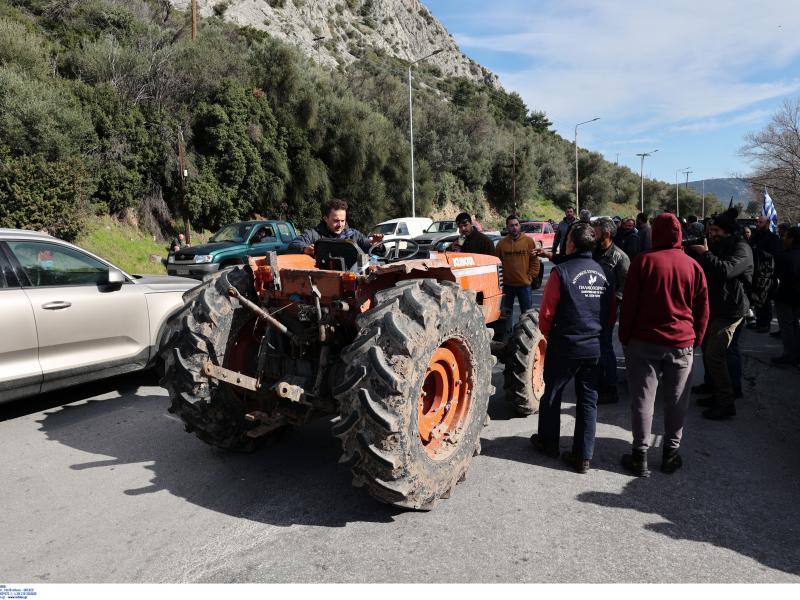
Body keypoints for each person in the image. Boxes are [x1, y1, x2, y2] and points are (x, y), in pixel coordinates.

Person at [618, 213, 709, 476]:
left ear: (654, 233)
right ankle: (670, 455)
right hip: (681, 343)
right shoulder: (693, 266)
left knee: (642, 400)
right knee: (677, 400)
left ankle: (640, 456)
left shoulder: (642, 262)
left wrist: (625, 337)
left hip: (643, 344)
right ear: (680, 234)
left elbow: (630, 306)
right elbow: (703, 310)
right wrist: (697, 339)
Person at [529, 222, 614, 474]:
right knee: (589, 400)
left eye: (566, 240)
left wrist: (547, 333)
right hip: (594, 346)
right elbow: (610, 314)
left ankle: (548, 443)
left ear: (572, 244)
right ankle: (583, 457)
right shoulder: (604, 273)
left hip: (565, 345)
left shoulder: (561, 272)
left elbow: (546, 312)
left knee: (553, 393)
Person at [687, 207, 753, 420]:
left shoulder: (741, 248)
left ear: (726, 231)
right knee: (708, 350)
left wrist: (705, 254)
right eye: (710, 230)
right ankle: (714, 389)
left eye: (715, 230)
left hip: (731, 310)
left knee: (716, 355)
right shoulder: (719, 246)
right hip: (715, 308)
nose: (711, 233)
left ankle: (727, 402)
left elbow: (725, 271)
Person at [592, 217, 630, 404]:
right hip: (591, 309)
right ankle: (597, 382)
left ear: (606, 234)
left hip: (607, 310)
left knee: (605, 346)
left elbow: (625, 287)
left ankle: (610, 387)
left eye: (596, 231)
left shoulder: (620, 257)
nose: (593, 234)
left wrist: (612, 303)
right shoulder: (593, 252)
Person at [288, 199, 380, 255]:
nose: (340, 225)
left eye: (342, 220)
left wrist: (377, 245)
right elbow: (293, 245)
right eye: (336, 221)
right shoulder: (313, 234)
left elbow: (369, 247)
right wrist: (305, 249)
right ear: (325, 218)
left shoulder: (353, 234)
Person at [496, 215, 541, 331]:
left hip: (524, 285)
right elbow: (497, 265)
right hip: (507, 286)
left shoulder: (529, 241)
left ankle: (526, 339)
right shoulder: (501, 244)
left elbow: (535, 262)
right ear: (507, 227)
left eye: (516, 225)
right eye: (511, 225)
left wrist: (530, 277)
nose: (514, 228)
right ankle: (506, 339)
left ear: (519, 226)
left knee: (527, 316)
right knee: (505, 316)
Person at [772, 225, 800, 365]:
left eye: (785, 236)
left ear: (792, 239)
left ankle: (789, 354)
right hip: (796, 296)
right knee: (795, 324)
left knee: (787, 326)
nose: (783, 238)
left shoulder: (785, 256)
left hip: (785, 296)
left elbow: (776, 276)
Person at [748, 215, 781, 333]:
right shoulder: (756, 236)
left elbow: (775, 256)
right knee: (757, 299)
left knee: (765, 299)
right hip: (755, 273)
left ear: (767, 224)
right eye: (758, 222)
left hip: (767, 274)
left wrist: (760, 252)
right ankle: (759, 321)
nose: (758, 224)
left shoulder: (773, 238)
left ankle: (765, 323)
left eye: (760, 222)